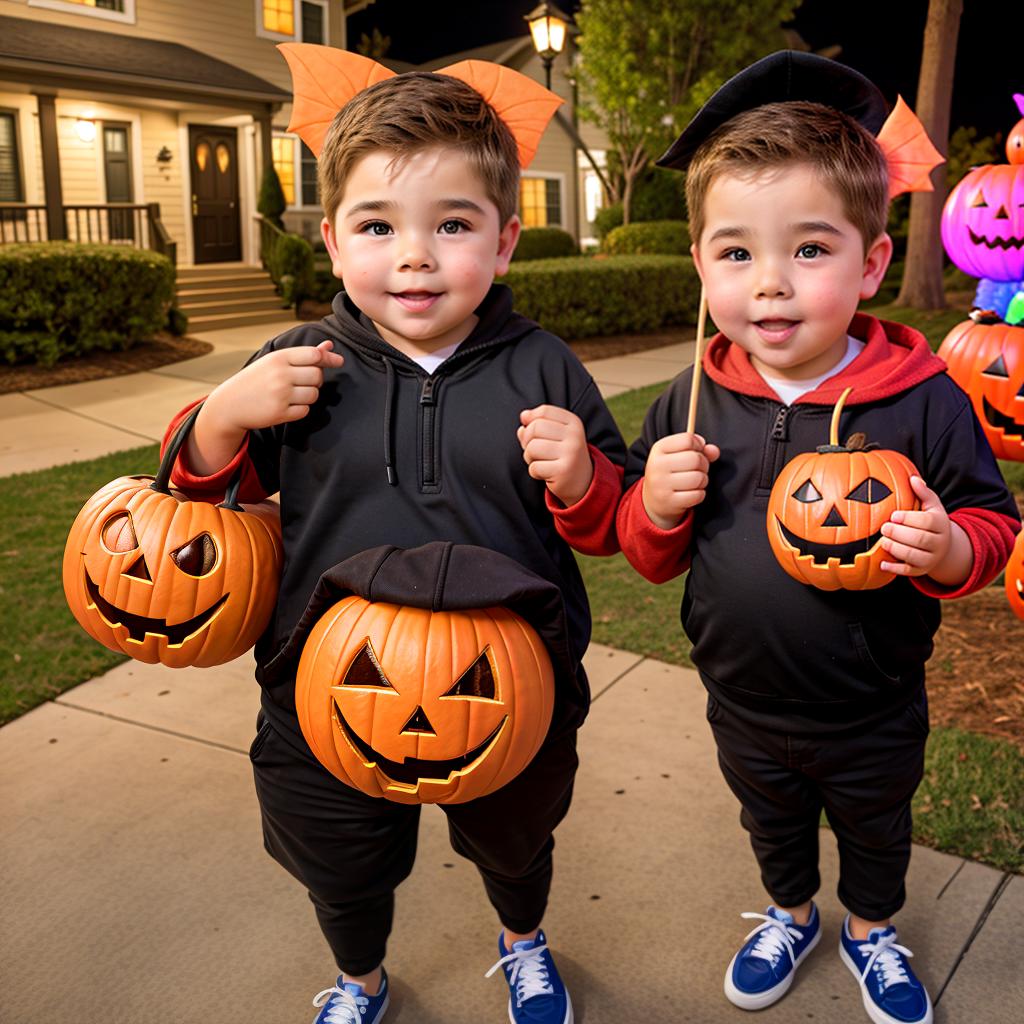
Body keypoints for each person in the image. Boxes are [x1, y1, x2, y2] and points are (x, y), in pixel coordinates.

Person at [163, 47, 626, 1024]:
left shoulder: (542, 369)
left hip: (509, 679)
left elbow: (606, 522)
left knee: (515, 836)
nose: (413, 255)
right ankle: (362, 974)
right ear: (334, 241)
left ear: (503, 243)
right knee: (334, 847)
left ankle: (520, 939)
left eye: (450, 226)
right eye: (379, 226)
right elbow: (193, 498)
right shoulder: (296, 364)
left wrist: (583, 474)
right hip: (323, 676)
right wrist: (222, 416)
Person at [617, 51, 1021, 1024]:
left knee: (876, 830)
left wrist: (950, 549)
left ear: (871, 261)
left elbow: (991, 521)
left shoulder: (920, 398)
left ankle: (873, 929)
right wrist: (657, 503)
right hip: (742, 693)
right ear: (700, 264)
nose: (770, 286)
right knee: (772, 820)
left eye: (808, 250)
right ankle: (790, 910)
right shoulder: (695, 393)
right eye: (736, 253)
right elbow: (645, 546)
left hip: (871, 699)